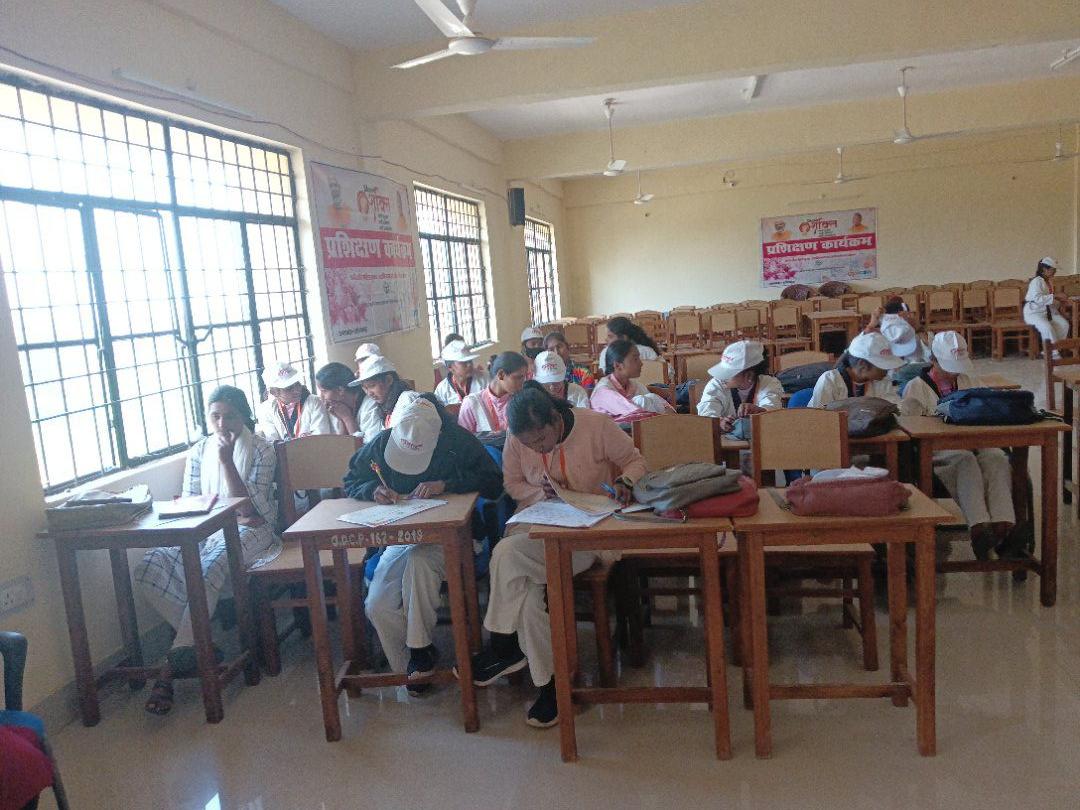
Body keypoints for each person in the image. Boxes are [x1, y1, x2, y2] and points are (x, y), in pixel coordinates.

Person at [467, 382, 647, 727]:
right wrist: (540, 492)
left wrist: (624, 482)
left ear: (555, 419)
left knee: (505, 554)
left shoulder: (595, 426)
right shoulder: (517, 438)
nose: (537, 448)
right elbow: (512, 484)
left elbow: (635, 461)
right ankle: (553, 687)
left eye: (541, 439)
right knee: (529, 599)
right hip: (536, 527)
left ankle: (504, 645)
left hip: (585, 536)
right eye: (529, 444)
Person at [343, 395, 503, 695]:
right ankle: (412, 669)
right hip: (402, 538)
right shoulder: (383, 442)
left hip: (454, 537)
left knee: (420, 561)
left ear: (438, 432)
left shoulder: (458, 441)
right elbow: (351, 479)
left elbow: (493, 483)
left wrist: (447, 484)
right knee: (377, 605)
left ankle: (420, 650)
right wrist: (373, 489)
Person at [135, 386, 280, 715]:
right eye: (216, 416)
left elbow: (249, 510)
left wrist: (227, 461)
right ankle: (203, 648)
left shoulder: (261, 449)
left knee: (208, 567)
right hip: (206, 528)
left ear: (244, 417)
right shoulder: (200, 450)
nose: (222, 424)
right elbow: (192, 501)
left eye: (230, 416)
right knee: (149, 567)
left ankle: (169, 669)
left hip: (253, 530)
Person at [900, 332, 1015, 559]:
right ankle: (979, 527)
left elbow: (988, 406)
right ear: (933, 360)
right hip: (938, 451)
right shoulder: (916, 388)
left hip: (975, 442)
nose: (954, 373)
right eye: (948, 366)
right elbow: (909, 429)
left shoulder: (968, 380)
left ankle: (1004, 526)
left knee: (996, 457)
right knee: (964, 460)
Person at [696, 340, 782, 430]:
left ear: (749, 375)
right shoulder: (716, 384)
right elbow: (706, 411)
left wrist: (760, 411)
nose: (722, 376)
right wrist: (718, 422)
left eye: (729, 373)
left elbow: (773, 409)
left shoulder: (769, 383)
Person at [808, 331, 903, 408]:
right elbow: (818, 418)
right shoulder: (830, 380)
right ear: (863, 365)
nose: (887, 371)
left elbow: (896, 409)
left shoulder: (883, 382)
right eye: (883, 366)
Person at [591, 339, 674, 422]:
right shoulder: (604, 391)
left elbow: (662, 405)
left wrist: (669, 414)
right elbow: (635, 414)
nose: (641, 363)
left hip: (639, 428)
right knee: (642, 400)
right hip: (614, 429)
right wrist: (667, 418)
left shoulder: (633, 385)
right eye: (635, 359)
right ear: (618, 365)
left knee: (651, 397)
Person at [254, 361, 331, 441]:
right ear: (274, 392)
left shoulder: (314, 402)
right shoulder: (265, 410)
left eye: (297, 384)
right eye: (289, 388)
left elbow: (321, 437)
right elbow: (272, 441)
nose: (296, 390)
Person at [457, 351, 529, 434]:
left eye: (524, 377)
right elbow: (464, 437)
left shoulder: (521, 400)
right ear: (501, 374)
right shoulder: (472, 403)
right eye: (519, 377)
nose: (523, 382)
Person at [352, 354, 415, 443]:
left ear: (389, 380)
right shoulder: (386, 408)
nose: (369, 393)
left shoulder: (407, 400)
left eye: (372, 385)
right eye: (365, 388)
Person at [1023, 256, 1069, 349]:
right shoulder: (1036, 281)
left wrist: (1059, 300)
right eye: (1053, 269)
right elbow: (1037, 298)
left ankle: (1056, 348)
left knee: (1064, 324)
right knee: (1047, 328)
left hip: (1048, 312)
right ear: (1044, 269)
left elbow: (1049, 298)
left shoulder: (1048, 281)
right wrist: (1055, 296)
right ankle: (1051, 353)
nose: (1055, 272)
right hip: (1034, 312)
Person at [596, 316, 662, 373]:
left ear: (624, 338)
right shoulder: (647, 350)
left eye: (610, 336)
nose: (606, 339)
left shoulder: (606, 352)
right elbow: (664, 372)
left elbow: (604, 374)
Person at [434, 339, 490, 406]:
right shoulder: (442, 389)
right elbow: (437, 410)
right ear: (450, 367)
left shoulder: (485, 379)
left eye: (470, 361)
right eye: (464, 362)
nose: (469, 365)